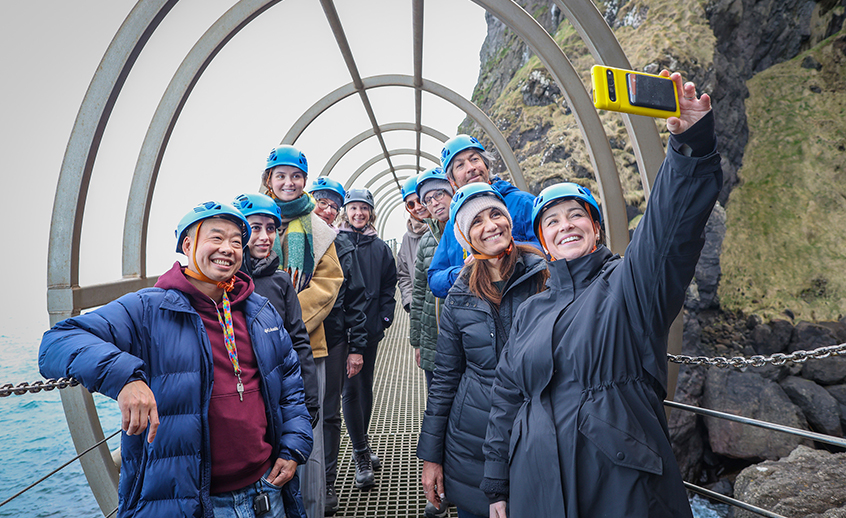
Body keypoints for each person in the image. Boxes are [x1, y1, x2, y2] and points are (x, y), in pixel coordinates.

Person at [481, 72, 722, 518]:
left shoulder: (629, 285)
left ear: (595, 229)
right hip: (535, 484)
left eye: (577, 215)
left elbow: (669, 231)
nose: (565, 225)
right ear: (543, 241)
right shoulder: (532, 309)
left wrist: (690, 144)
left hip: (618, 485)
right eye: (551, 222)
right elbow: (507, 398)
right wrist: (497, 484)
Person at [39, 201, 312, 518]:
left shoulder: (258, 309)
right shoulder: (148, 309)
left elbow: (291, 385)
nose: (228, 248)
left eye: (237, 241)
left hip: (267, 491)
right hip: (192, 502)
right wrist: (126, 379)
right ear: (187, 244)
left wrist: (293, 448)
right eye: (216, 238)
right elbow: (57, 341)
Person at [416, 183, 548, 518]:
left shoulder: (544, 274)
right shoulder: (459, 294)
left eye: (496, 214)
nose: (490, 226)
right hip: (474, 437)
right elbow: (445, 378)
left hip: (539, 429)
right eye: (477, 222)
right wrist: (431, 457)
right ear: (464, 236)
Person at [262, 144, 344, 518]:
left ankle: (311, 509)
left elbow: (329, 282)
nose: (289, 183)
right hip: (257, 350)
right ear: (269, 180)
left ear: (304, 182)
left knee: (306, 435)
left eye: (296, 176)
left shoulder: (317, 228)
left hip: (308, 346)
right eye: (281, 175)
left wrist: (281, 321)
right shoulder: (255, 217)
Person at [234, 193, 320, 427]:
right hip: (238, 399)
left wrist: (310, 399)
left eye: (271, 229)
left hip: (278, 393)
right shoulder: (223, 282)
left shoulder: (281, 281)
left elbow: (298, 340)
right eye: (255, 228)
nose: (265, 237)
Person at [427, 135, 539, 299]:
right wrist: (465, 272)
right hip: (475, 315)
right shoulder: (455, 223)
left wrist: (505, 254)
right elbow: (435, 278)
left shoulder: (522, 202)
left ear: (486, 165)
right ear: (451, 180)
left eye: (474, 159)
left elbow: (550, 248)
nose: (470, 168)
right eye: (460, 165)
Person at [338, 188, 398, 490]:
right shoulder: (336, 243)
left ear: (371, 212)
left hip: (370, 327)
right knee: (350, 388)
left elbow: (390, 283)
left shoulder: (381, 248)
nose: (358, 213)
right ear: (345, 211)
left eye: (364, 208)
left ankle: (362, 441)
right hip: (343, 329)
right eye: (353, 208)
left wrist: (386, 316)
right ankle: (360, 452)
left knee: (365, 386)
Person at [409, 167, 453, 390]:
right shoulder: (426, 241)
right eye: (428, 199)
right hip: (431, 337)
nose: (434, 202)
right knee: (436, 403)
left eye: (439, 194)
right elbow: (418, 293)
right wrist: (416, 342)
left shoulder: (468, 230)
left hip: (463, 338)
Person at [397, 174, 431, 313]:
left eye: (420, 200)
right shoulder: (407, 239)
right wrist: (411, 302)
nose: (417, 207)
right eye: (411, 204)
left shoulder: (447, 228)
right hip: (420, 311)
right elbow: (403, 273)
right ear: (407, 208)